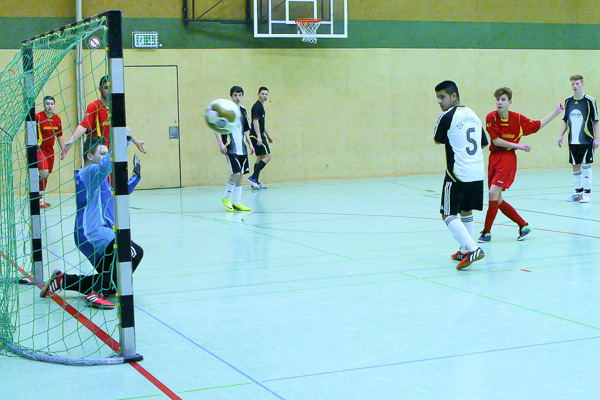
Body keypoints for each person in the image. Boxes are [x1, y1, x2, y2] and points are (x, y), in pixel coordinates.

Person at [40, 136, 143, 309]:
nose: (105, 156)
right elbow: (106, 165)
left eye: (106, 153)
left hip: (97, 235)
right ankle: (96, 293)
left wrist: (136, 177)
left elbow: (117, 192)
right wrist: (123, 140)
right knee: (134, 251)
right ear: (89, 156)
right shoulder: (89, 172)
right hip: (91, 232)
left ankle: (63, 280)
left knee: (115, 280)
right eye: (101, 153)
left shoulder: (101, 180)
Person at [478, 87, 564, 243]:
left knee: (492, 193)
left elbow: (537, 125)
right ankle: (523, 225)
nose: (499, 102)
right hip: (494, 158)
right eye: (497, 99)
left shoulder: (517, 119)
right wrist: (519, 146)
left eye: (503, 99)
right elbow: (496, 141)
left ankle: (486, 232)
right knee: (497, 199)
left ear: (510, 102)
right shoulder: (491, 117)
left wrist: (556, 112)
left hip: (507, 159)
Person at [433, 80, 487, 270]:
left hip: (457, 174)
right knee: (466, 210)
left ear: (454, 96)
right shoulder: (474, 114)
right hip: (477, 172)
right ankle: (464, 250)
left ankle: (472, 248)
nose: (439, 101)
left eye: (442, 97)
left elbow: (437, 140)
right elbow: (483, 142)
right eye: (437, 98)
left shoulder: (446, 116)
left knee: (447, 214)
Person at [60, 75, 146, 159]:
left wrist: (136, 142)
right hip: (96, 155)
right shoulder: (94, 106)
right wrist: (72, 140)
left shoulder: (115, 108)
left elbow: (123, 129)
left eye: (111, 88)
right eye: (106, 88)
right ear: (100, 89)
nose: (109, 91)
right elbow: (83, 126)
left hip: (110, 155)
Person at [558, 74, 599, 203]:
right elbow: (565, 120)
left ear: (582, 85)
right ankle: (578, 193)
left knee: (586, 165)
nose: (575, 86)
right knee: (575, 166)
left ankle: (587, 193)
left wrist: (597, 138)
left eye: (577, 83)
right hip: (573, 141)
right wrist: (561, 135)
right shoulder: (568, 101)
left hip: (586, 139)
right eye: (573, 84)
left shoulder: (590, 101)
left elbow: (596, 121)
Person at [216, 86, 255, 211]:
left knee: (241, 175)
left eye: (240, 95)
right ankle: (226, 198)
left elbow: (245, 130)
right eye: (235, 95)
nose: (238, 97)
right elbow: (217, 128)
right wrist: (221, 144)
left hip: (241, 148)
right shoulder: (226, 111)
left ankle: (237, 202)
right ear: (231, 96)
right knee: (236, 173)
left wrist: (250, 144)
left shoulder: (243, 111)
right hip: (230, 147)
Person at [36, 95, 65, 208]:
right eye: (47, 104)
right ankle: (37, 198)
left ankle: (39, 197)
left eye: (52, 104)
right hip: (39, 149)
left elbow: (59, 135)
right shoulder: (38, 117)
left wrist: (63, 149)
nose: (50, 106)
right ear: (44, 105)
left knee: (46, 175)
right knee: (44, 171)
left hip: (50, 151)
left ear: (54, 106)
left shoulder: (57, 119)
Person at [247, 86, 273, 189]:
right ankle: (253, 177)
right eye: (262, 94)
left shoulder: (261, 106)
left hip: (258, 134)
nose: (264, 96)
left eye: (266, 94)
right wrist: (259, 137)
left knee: (259, 158)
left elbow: (262, 124)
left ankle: (255, 183)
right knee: (268, 157)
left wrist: (268, 135)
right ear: (258, 94)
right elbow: (255, 122)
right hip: (256, 135)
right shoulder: (257, 106)